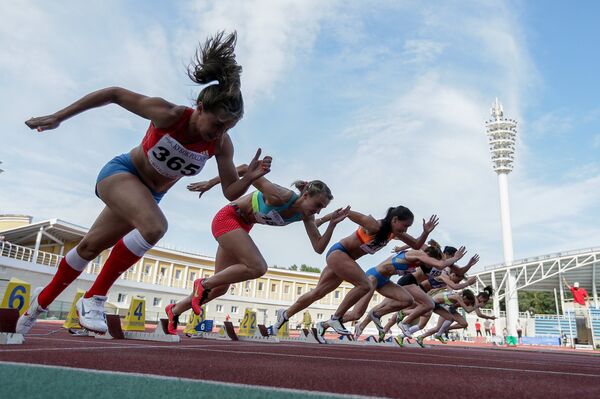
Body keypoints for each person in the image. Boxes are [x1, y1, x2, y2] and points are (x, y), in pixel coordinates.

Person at [16, 31, 269, 335]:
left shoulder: (221, 145)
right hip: (121, 174)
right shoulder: (169, 114)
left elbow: (231, 192)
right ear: (200, 108)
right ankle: (94, 299)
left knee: (89, 247)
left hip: (148, 195)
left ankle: (34, 309)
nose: (219, 132)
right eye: (216, 124)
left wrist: (249, 179)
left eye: (228, 127)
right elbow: (113, 93)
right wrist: (58, 116)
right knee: (154, 227)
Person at [164, 177, 349, 334]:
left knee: (220, 288)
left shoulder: (305, 216)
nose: (318, 211)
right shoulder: (282, 196)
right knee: (258, 267)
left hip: (242, 228)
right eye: (318, 205)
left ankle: (175, 310)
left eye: (322, 208)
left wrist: (331, 224)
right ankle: (202, 284)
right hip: (228, 218)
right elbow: (246, 170)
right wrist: (211, 183)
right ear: (306, 195)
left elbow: (318, 246)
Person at [273, 208, 439, 339]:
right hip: (340, 252)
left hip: (346, 260)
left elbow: (417, 244)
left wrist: (426, 232)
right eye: (405, 225)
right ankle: (336, 318)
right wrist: (322, 220)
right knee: (365, 284)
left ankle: (285, 314)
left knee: (318, 292)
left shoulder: (394, 233)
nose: (406, 229)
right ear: (395, 220)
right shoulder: (374, 225)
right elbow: (348, 213)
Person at [350, 243, 468, 340]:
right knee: (388, 304)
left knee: (404, 306)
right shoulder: (434, 257)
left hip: (416, 286)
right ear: (448, 254)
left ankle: (380, 328)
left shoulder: (446, 267)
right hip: (410, 281)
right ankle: (369, 324)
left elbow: (460, 271)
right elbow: (417, 245)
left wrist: (469, 264)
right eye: (452, 257)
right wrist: (401, 248)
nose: (453, 261)